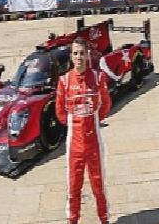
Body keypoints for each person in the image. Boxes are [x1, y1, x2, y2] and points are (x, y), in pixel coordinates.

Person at [56, 37, 112, 224]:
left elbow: (105, 106)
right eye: (75, 53)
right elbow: (60, 113)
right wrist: (76, 124)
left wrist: (92, 120)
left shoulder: (98, 77)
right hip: (74, 146)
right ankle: (72, 220)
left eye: (82, 53)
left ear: (88, 55)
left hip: (94, 143)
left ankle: (104, 219)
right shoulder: (64, 81)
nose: (79, 57)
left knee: (99, 185)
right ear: (71, 56)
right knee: (73, 187)